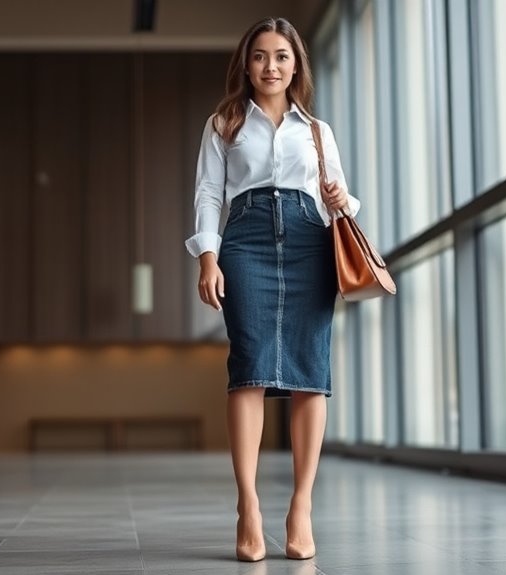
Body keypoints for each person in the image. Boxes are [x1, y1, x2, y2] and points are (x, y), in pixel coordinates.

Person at [184, 17, 360, 563]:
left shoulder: (317, 131)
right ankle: (249, 505)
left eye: (282, 56)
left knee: (310, 371)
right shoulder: (224, 123)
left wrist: (340, 198)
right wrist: (208, 257)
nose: (271, 66)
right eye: (260, 56)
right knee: (250, 367)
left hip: (310, 240)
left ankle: (301, 507)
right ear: (246, 63)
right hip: (246, 240)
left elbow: (343, 200)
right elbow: (209, 193)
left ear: (296, 63)